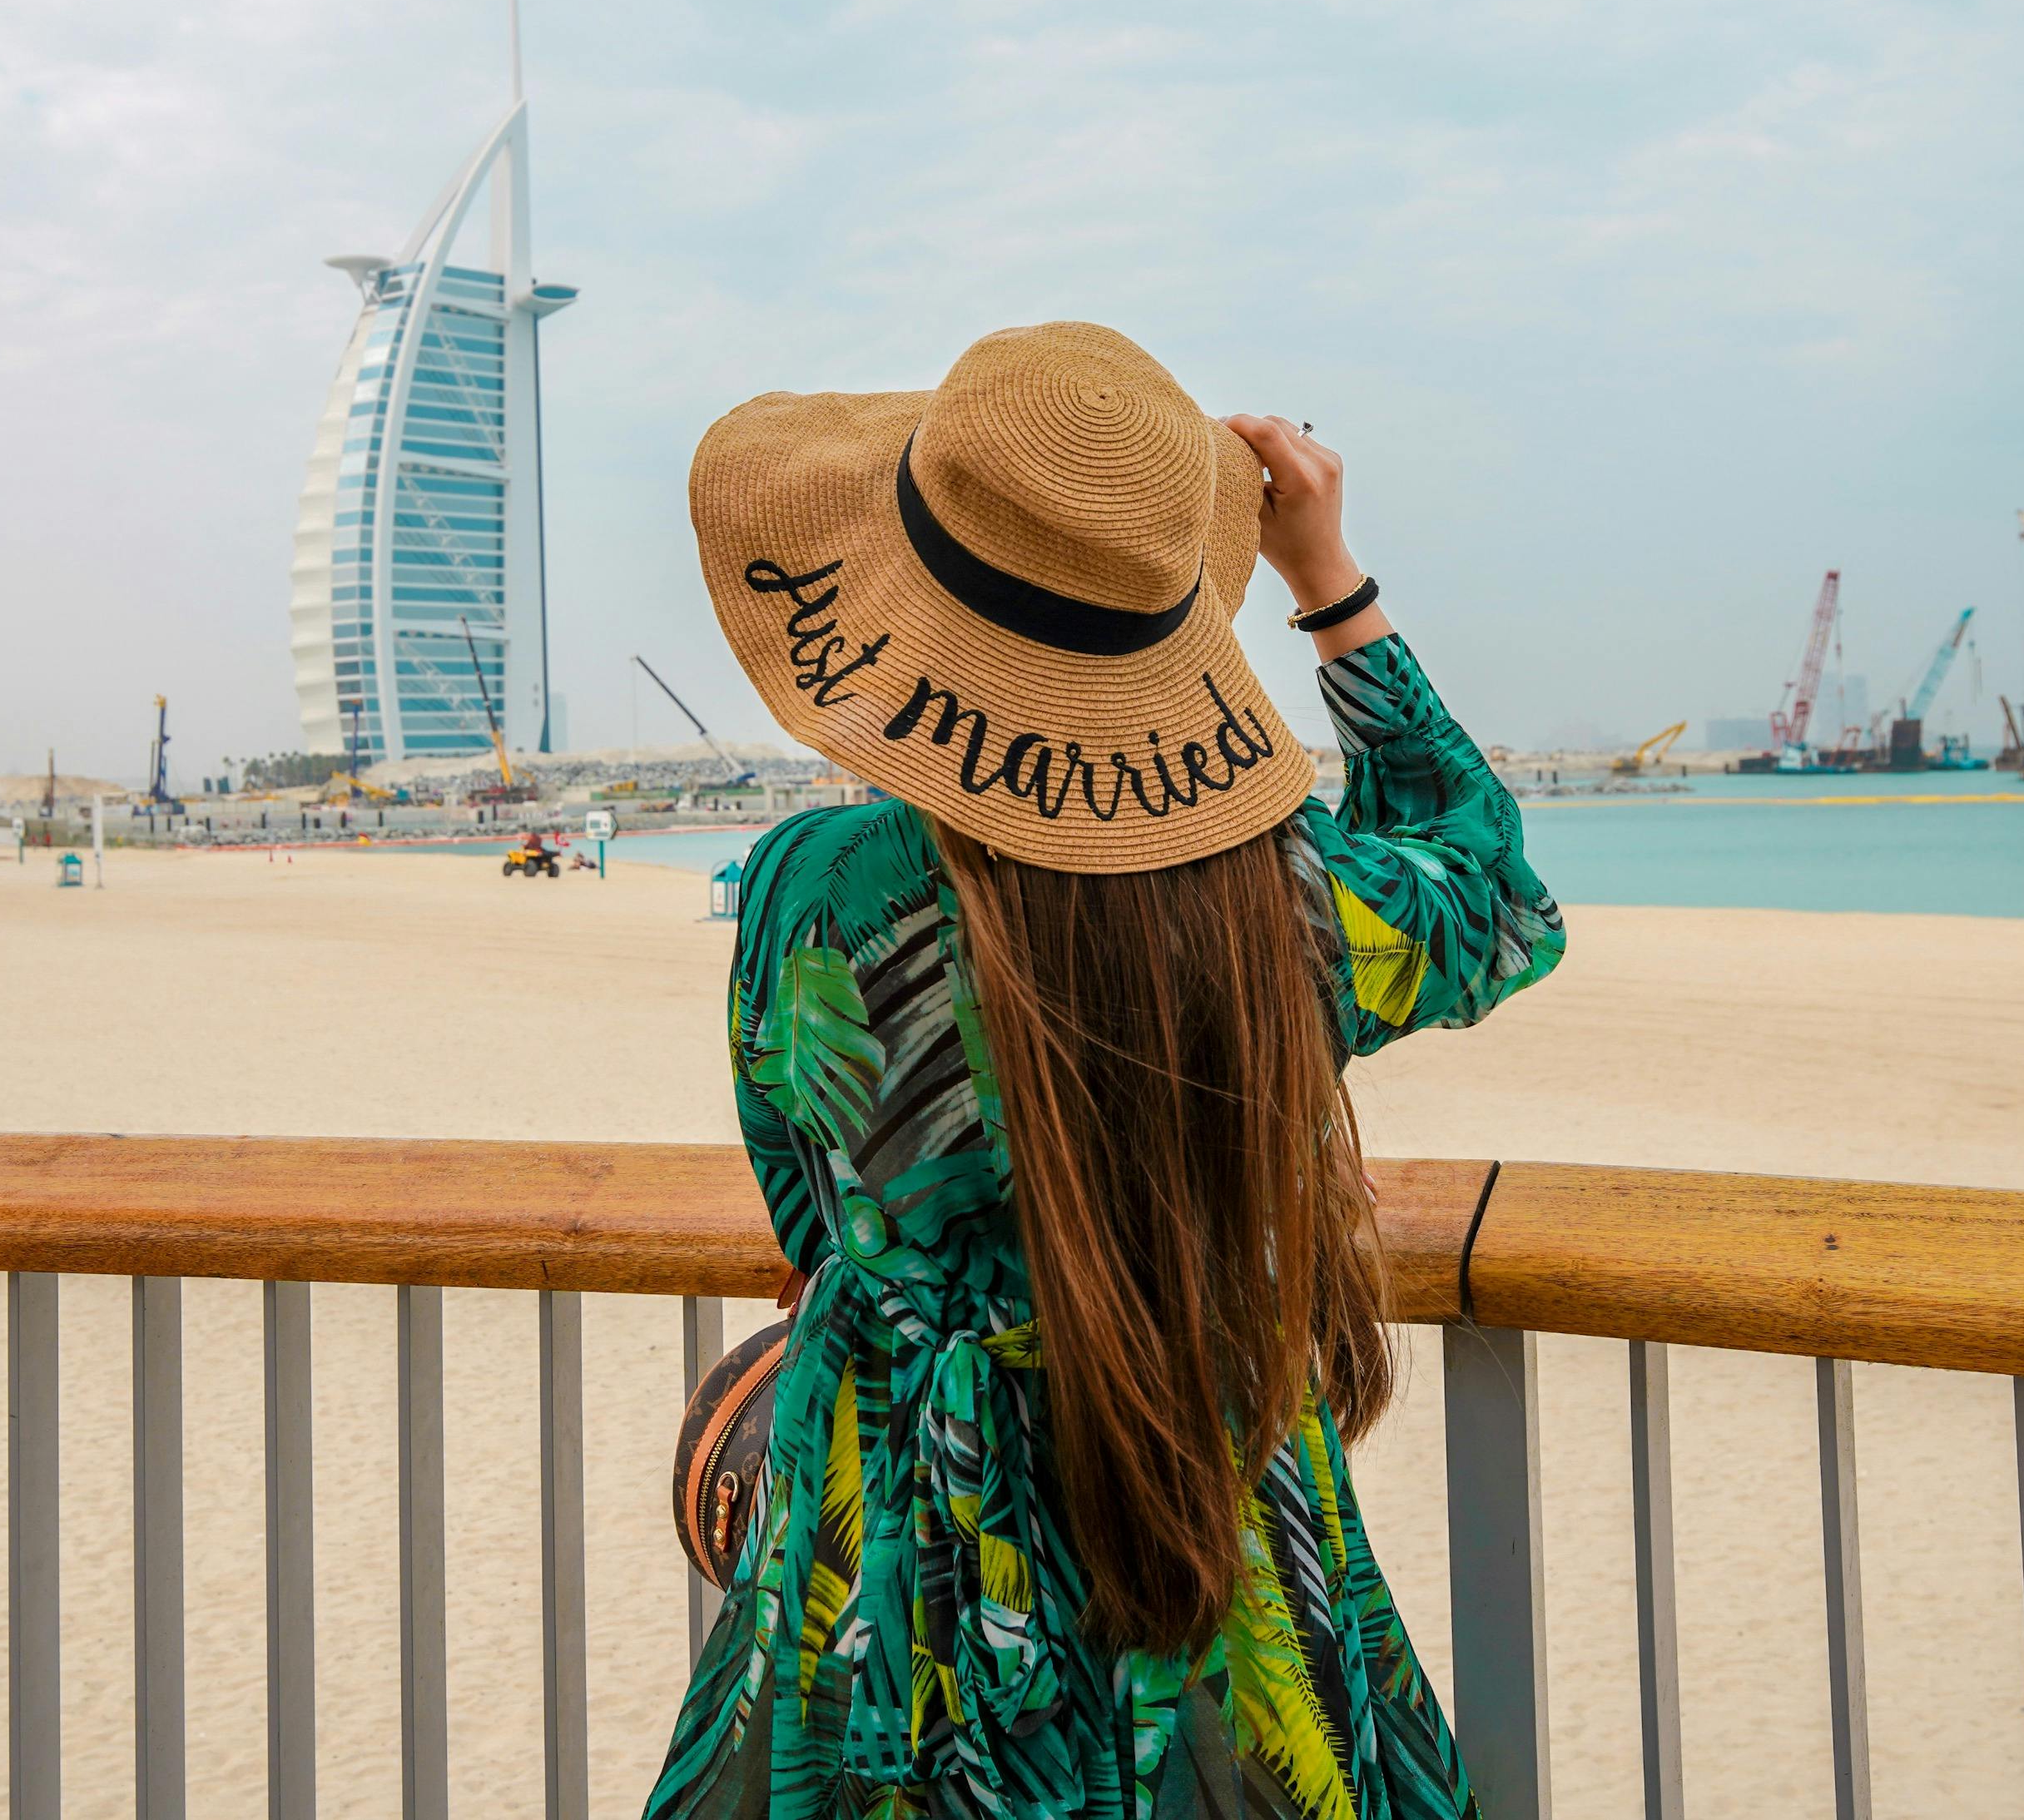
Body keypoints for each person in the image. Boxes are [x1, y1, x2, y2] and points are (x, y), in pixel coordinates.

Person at [654, 322, 1563, 1820]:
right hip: (1199, 1516)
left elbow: (814, 1214)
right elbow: (1490, 890)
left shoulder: (811, 893)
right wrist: (1332, 583)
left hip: (889, 1551)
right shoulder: (1273, 910)